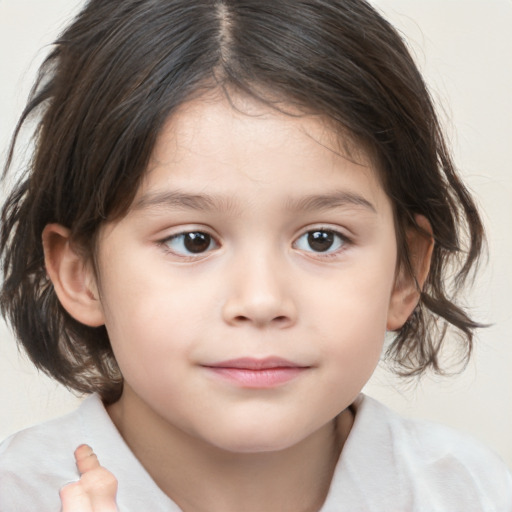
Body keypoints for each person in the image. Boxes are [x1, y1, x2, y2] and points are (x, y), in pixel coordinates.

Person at [0, 0, 511, 510]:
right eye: (193, 240)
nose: (262, 300)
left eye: (321, 239)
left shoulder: (473, 492)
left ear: (404, 274)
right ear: (81, 273)